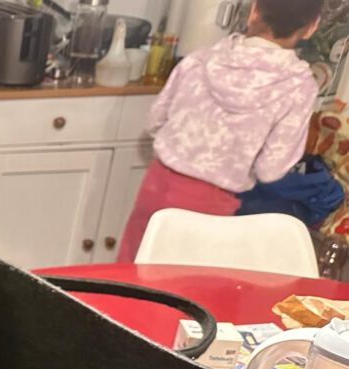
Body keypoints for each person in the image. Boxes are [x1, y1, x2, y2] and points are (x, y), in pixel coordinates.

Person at [116, 0, 323, 262]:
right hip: (211, 201)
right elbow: (271, 169)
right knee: (183, 288)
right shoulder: (297, 86)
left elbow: (155, 120)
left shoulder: (202, 58)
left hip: (158, 183)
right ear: (311, 27)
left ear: (253, 11)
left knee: (127, 277)